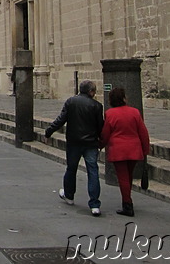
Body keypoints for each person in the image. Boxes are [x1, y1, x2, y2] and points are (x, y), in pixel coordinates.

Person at [44, 80, 104, 216]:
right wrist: (102, 141)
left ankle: (69, 196)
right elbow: (101, 126)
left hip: (74, 142)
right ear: (91, 92)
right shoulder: (97, 106)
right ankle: (94, 204)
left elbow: (61, 119)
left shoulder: (70, 102)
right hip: (90, 143)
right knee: (93, 171)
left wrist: (48, 132)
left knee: (71, 169)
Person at [100, 87, 150, 217]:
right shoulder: (135, 112)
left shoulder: (110, 114)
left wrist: (100, 144)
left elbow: (105, 133)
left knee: (123, 177)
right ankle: (127, 199)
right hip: (134, 148)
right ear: (123, 98)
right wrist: (145, 149)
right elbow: (143, 132)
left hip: (119, 150)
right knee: (129, 176)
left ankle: (127, 204)